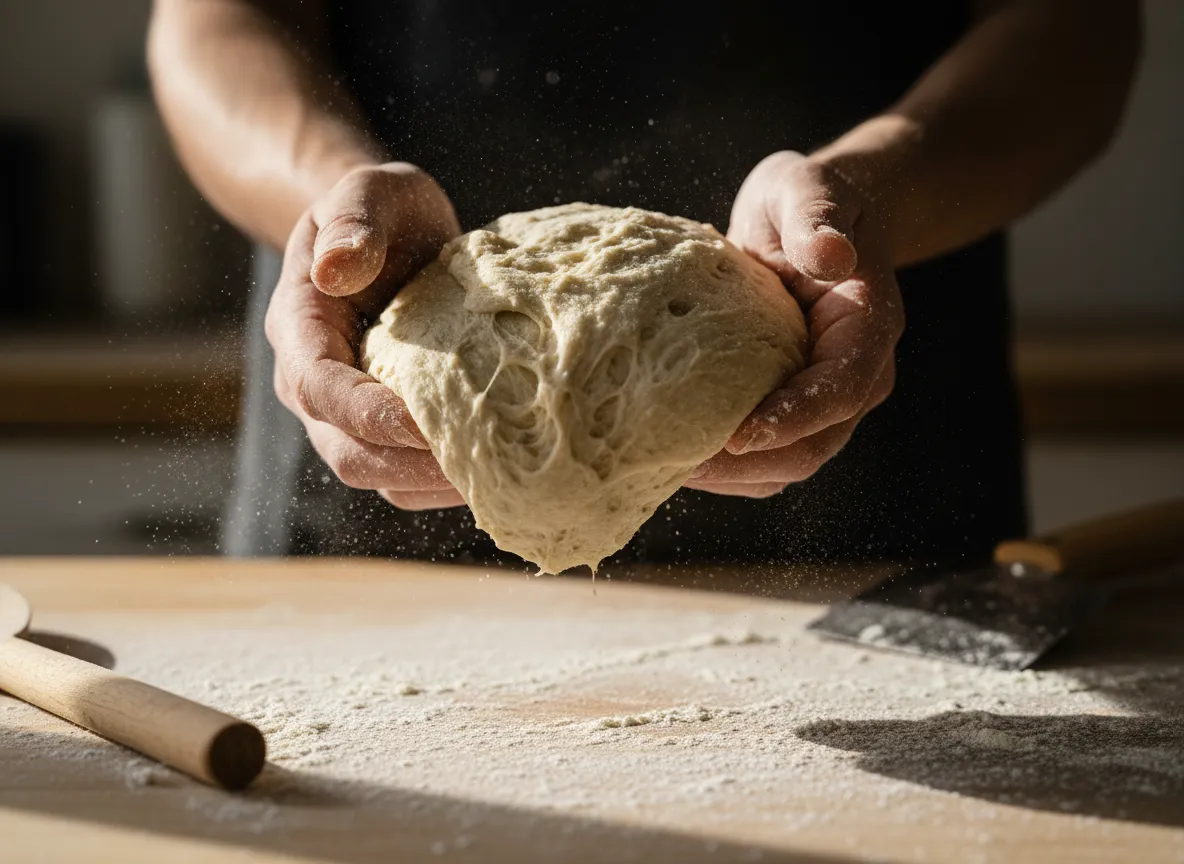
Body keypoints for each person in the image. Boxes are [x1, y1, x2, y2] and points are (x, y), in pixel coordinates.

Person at [148, 0, 1139, 567]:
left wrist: (867, 195)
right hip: (377, 467)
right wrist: (328, 203)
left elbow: (1073, 28)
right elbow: (216, 21)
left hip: (868, 466)